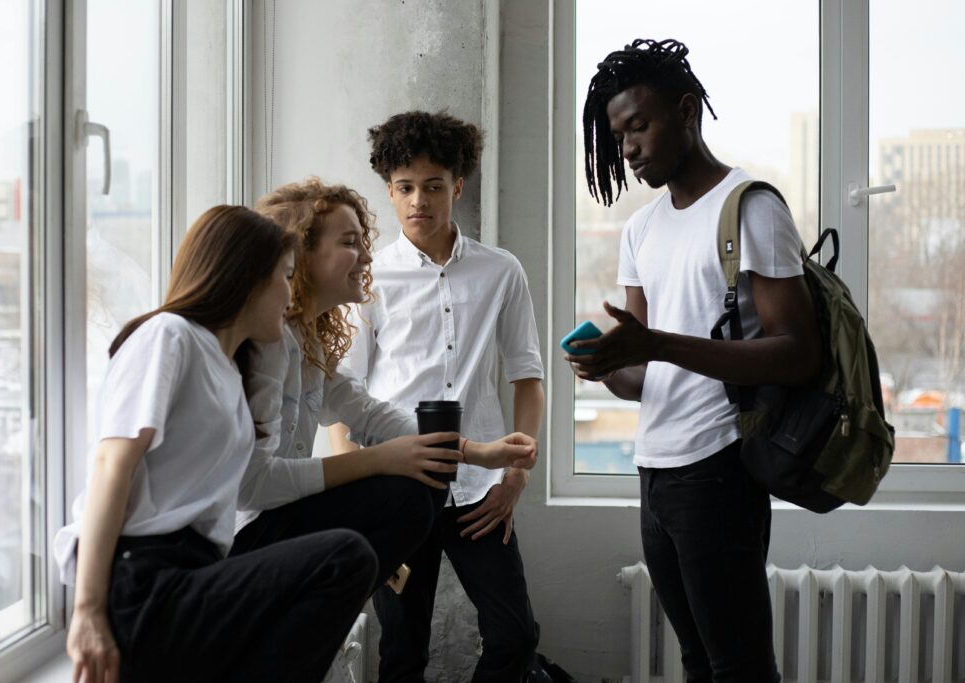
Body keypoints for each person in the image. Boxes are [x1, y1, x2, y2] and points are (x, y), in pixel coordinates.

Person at [569, 39, 822, 682]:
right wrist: (608, 365)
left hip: (718, 471)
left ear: (687, 112)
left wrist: (653, 345)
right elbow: (642, 377)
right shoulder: (641, 229)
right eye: (617, 135)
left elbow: (798, 352)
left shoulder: (750, 206)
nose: (627, 149)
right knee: (696, 661)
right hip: (655, 471)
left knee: (738, 666)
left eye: (638, 126)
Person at [53, 205, 379, 683]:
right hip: (140, 579)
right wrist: (87, 612)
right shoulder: (170, 336)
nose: (291, 292)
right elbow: (110, 465)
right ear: (246, 279)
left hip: (194, 573)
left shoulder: (229, 370)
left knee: (350, 556)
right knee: (345, 558)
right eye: (285, 277)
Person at [233, 178, 538, 598]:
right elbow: (251, 486)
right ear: (302, 255)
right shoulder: (271, 342)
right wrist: (379, 460)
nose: (367, 256)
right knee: (408, 492)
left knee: (419, 485)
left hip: (283, 520)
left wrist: (477, 453)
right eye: (349, 243)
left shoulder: (308, 340)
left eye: (363, 241)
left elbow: (368, 413)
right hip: (246, 539)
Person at [329, 111, 545, 682]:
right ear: (390, 191)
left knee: (515, 635)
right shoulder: (367, 277)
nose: (417, 201)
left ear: (457, 184)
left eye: (431, 185)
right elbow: (341, 392)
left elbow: (528, 376)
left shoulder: (501, 272)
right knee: (401, 650)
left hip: (480, 492)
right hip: (396, 487)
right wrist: (354, 481)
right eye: (404, 188)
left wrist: (515, 479)